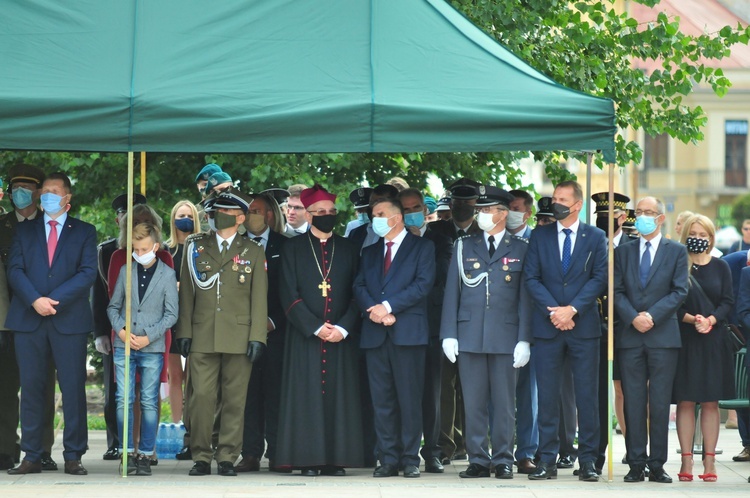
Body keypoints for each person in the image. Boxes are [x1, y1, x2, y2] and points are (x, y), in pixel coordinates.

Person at [7, 172, 97, 476]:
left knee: (72, 389)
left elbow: (87, 273)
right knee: (31, 388)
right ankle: (32, 454)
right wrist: (35, 300)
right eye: (44, 191)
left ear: (67, 198)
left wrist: (52, 300)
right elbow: (15, 269)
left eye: (54, 191)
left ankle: (74, 454)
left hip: (68, 319)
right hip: (29, 318)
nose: (47, 195)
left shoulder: (85, 231)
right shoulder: (23, 231)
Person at [441, 185, 531, 479]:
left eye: (487, 210)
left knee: (505, 404)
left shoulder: (521, 249)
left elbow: (525, 299)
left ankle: (503, 458)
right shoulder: (464, 245)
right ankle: (478, 458)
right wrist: (449, 333)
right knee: (474, 401)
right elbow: (452, 292)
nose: (481, 215)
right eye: (480, 210)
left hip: (506, 336)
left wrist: (524, 339)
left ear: (503, 214)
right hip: (469, 335)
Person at [175, 189, 268, 477]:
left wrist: (257, 337)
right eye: (216, 211)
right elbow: (188, 292)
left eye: (226, 212)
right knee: (201, 397)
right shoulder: (195, 246)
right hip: (203, 334)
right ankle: (201, 455)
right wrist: (184, 331)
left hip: (239, 336)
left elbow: (259, 298)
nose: (218, 216)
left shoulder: (253, 250)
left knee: (234, 399)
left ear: (240, 217)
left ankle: (227, 456)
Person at [276, 185, 364, 476]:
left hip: (340, 336)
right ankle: (308, 460)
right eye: (320, 212)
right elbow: (288, 293)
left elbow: (358, 293)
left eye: (331, 212)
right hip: (305, 336)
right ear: (309, 215)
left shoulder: (350, 248)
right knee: (306, 397)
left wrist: (342, 327)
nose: (327, 216)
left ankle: (335, 459)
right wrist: (315, 327)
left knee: (339, 398)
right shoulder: (292, 248)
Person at [524, 180, 607, 482]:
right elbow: (531, 279)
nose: (555, 202)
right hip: (548, 327)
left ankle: (587, 461)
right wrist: (555, 311)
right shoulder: (540, 235)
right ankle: (547, 459)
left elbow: (599, 278)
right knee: (547, 396)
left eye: (561, 198)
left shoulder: (596, 237)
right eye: (554, 197)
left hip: (583, 326)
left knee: (587, 396)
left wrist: (572, 309)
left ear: (576, 204)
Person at [355, 197, 435, 478]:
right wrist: (375, 312)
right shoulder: (370, 251)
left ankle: (410, 458)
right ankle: (388, 457)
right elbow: (359, 285)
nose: (374, 218)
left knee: (409, 398)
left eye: (379, 214)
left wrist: (388, 307)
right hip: (376, 333)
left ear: (396, 217)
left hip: (408, 334)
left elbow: (423, 284)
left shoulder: (422, 247)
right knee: (382, 400)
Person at [614, 196, 689, 484]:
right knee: (633, 400)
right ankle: (635, 463)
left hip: (662, 336)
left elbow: (679, 291)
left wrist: (652, 316)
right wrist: (633, 317)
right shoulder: (624, 251)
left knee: (659, 403)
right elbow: (616, 291)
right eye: (639, 212)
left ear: (660, 218)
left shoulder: (676, 252)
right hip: (631, 335)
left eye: (648, 212)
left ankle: (657, 464)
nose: (643, 216)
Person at [107, 223, 178, 476]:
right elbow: (113, 308)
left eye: (144, 248)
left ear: (156, 247)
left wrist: (149, 337)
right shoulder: (126, 271)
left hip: (152, 346)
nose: (140, 252)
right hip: (123, 343)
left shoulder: (168, 274)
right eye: (135, 249)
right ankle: (126, 452)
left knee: (148, 400)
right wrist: (122, 331)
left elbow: (171, 314)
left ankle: (145, 455)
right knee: (123, 398)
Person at [0, 164, 58, 472]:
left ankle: (42, 449)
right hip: (6, 318)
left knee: (40, 387)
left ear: (37, 192)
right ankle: (5, 447)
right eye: (14, 189)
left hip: (41, 317)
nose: (18, 195)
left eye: (25, 188)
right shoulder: (1, 226)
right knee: (5, 387)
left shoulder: (50, 226)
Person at [673, 214, 735, 482]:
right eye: (694, 234)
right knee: (686, 401)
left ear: (711, 238)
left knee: (711, 401)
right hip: (686, 339)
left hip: (713, 340)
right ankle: (686, 461)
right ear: (685, 234)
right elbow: (671, 301)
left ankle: (710, 461)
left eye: (703, 235)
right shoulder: (677, 265)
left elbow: (728, 301)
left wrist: (710, 319)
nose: (698, 239)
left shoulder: (721, 266)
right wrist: (692, 319)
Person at [398, 188, 452, 473]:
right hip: (398, 326)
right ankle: (397, 450)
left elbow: (441, 278)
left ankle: (431, 450)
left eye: (416, 207)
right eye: (405, 209)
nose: (412, 213)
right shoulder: (392, 242)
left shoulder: (440, 240)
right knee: (399, 392)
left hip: (430, 325)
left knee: (431, 393)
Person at [92, 193, 148, 462]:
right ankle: (116, 441)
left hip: (146, 329)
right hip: (116, 328)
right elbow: (100, 295)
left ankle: (142, 443)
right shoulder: (106, 251)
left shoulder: (152, 248)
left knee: (143, 390)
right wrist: (100, 332)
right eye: (125, 214)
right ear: (118, 219)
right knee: (115, 390)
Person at [430, 178, 481, 465]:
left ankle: (472, 445)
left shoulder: (484, 232)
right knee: (444, 384)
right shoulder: (435, 232)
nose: (462, 205)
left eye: (468, 200)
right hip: (442, 316)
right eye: (457, 200)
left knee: (473, 384)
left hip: (476, 317)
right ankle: (445, 445)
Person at [237, 193, 288, 473]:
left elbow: (292, 290)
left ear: (269, 214)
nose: (251, 215)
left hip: (276, 333)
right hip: (243, 333)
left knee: (275, 394)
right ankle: (251, 453)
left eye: (256, 210)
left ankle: (279, 452)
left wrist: (273, 321)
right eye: (249, 210)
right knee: (248, 395)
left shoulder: (286, 245)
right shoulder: (237, 245)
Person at [591, 191, 638, 473]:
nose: (605, 222)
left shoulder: (632, 247)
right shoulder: (593, 245)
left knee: (627, 391)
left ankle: (635, 454)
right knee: (597, 394)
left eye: (610, 217)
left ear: (622, 217)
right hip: (597, 327)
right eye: (600, 217)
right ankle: (595, 455)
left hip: (626, 328)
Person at [506, 188, 537, 474]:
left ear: (527, 212)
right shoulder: (496, 240)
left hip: (531, 326)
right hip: (500, 328)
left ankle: (526, 451)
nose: (510, 212)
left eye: (515, 207)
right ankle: (500, 450)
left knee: (528, 394)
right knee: (499, 394)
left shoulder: (536, 240)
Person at [164, 200, 201, 424]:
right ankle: (178, 425)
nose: (184, 219)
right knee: (175, 375)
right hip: (171, 318)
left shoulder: (204, 248)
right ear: (173, 219)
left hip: (198, 317)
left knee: (196, 377)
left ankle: (193, 424)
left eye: (188, 215)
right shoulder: (165, 250)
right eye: (180, 215)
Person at [722, 248, 750, 460]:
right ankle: (748, 443)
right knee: (744, 392)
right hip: (736, 334)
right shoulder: (733, 264)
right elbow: (741, 308)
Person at [348, 184, 399, 252]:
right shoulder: (356, 233)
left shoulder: (405, 233)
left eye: (380, 202)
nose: (375, 207)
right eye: (372, 203)